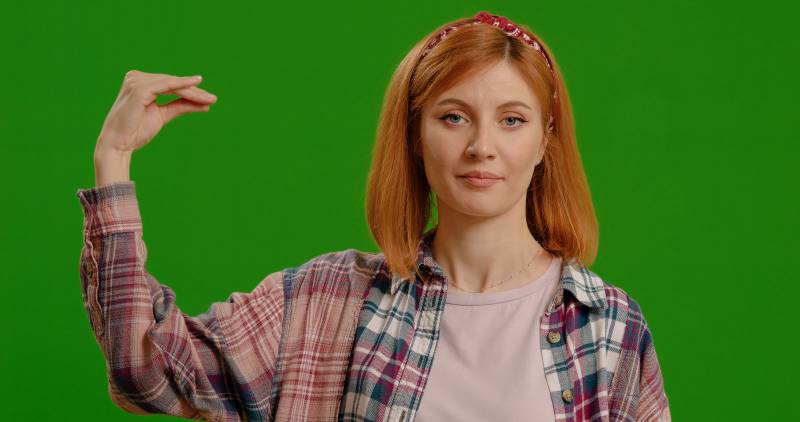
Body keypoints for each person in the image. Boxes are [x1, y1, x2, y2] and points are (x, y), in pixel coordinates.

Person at [76, 11, 671, 421]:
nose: (481, 147)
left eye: (511, 120)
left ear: (544, 140)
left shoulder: (608, 326)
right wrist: (114, 159)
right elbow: (146, 369)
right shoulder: (326, 302)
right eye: (453, 117)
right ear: (415, 136)